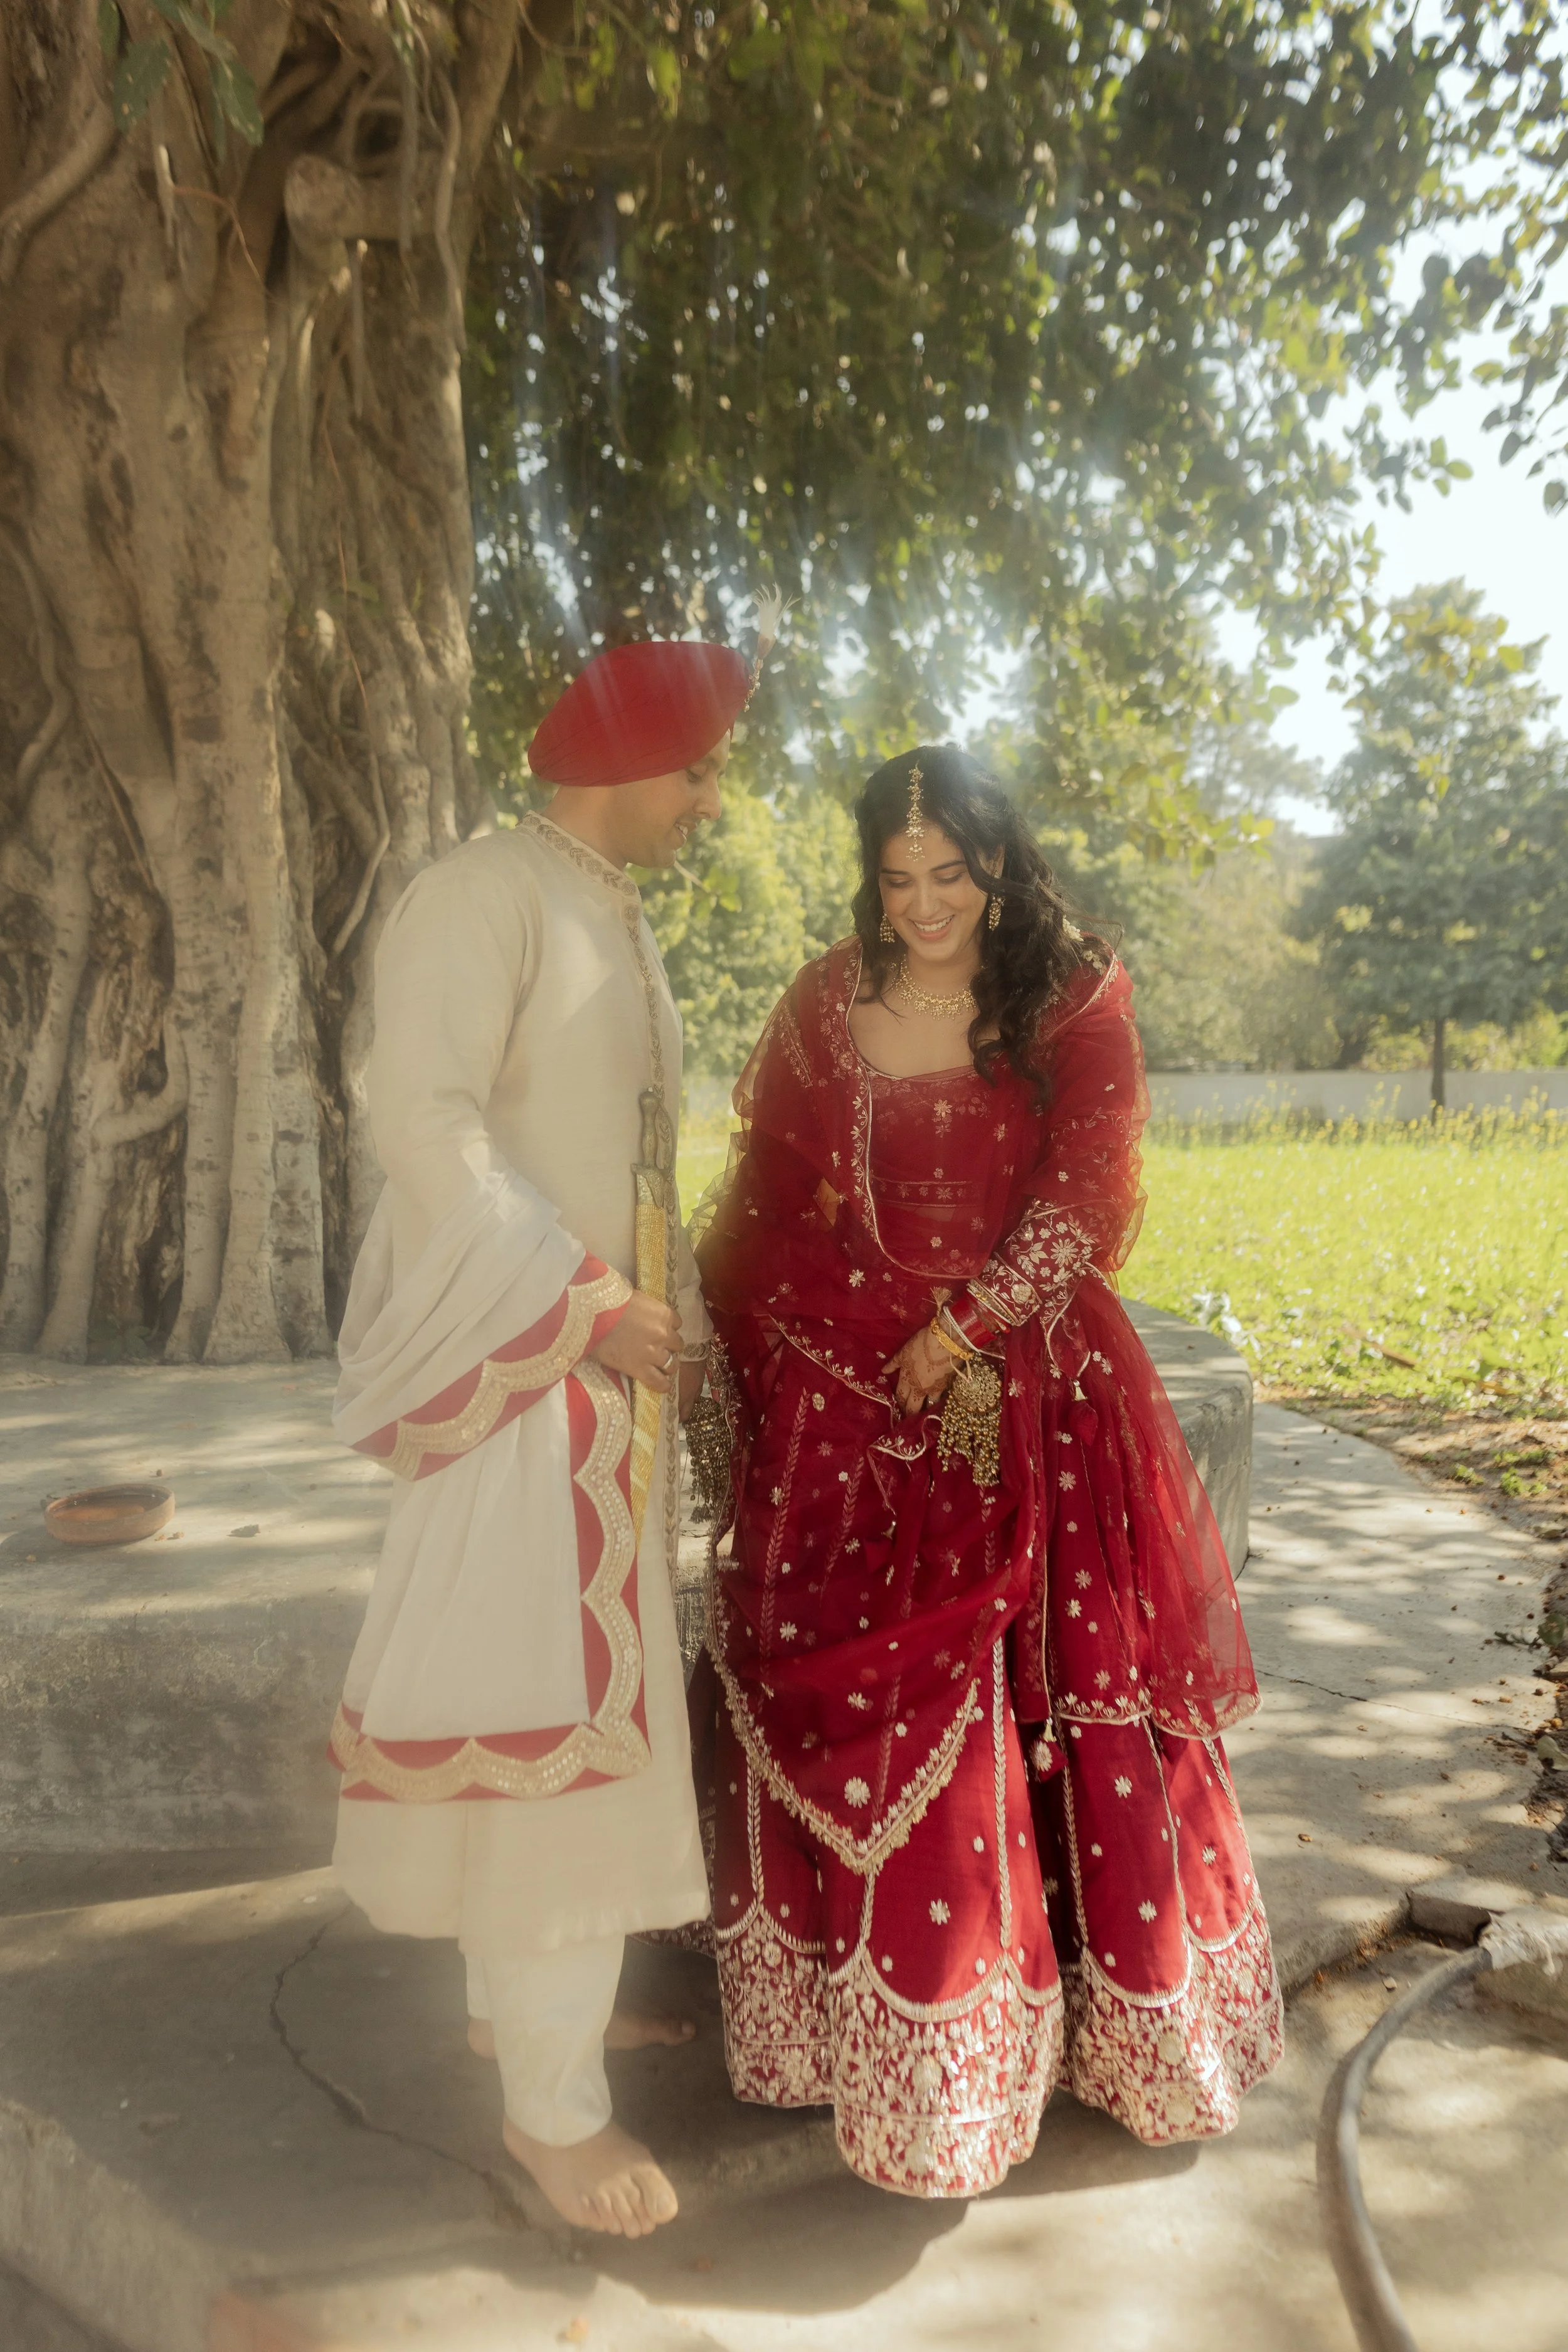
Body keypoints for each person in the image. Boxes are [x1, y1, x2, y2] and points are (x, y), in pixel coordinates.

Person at [694, 744, 1283, 2198]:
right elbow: (768, 1184)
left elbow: (1089, 1182)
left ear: (998, 861)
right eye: (896, 879)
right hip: (850, 1378)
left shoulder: (1069, 990)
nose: (923, 903)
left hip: (1019, 1388)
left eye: (948, 873)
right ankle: (846, 2041)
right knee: (860, 1684)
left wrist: (960, 1329)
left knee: (1031, 1687)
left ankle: (1095, 2036)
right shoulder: (827, 999)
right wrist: (781, 1352)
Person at [326, 628, 771, 2238]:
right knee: (549, 1734)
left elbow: (615, 1146)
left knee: (568, 1712)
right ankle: (551, 2115)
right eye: (700, 768)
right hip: (527, 1379)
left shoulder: (599, 907)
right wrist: (582, 1301)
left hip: (597, 1385)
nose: (711, 801)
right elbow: (414, 1115)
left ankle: (521, 2019)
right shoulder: (483, 895)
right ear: (631, 760)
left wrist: (668, 1310)